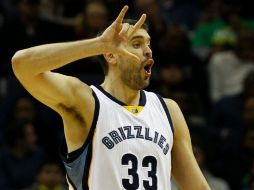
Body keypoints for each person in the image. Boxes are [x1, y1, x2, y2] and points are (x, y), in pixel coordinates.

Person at [11, 5, 210, 190]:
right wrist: (98, 44)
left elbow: (198, 187)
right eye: (137, 44)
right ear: (111, 55)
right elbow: (22, 64)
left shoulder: (168, 110)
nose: (148, 50)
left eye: (148, 44)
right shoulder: (86, 102)